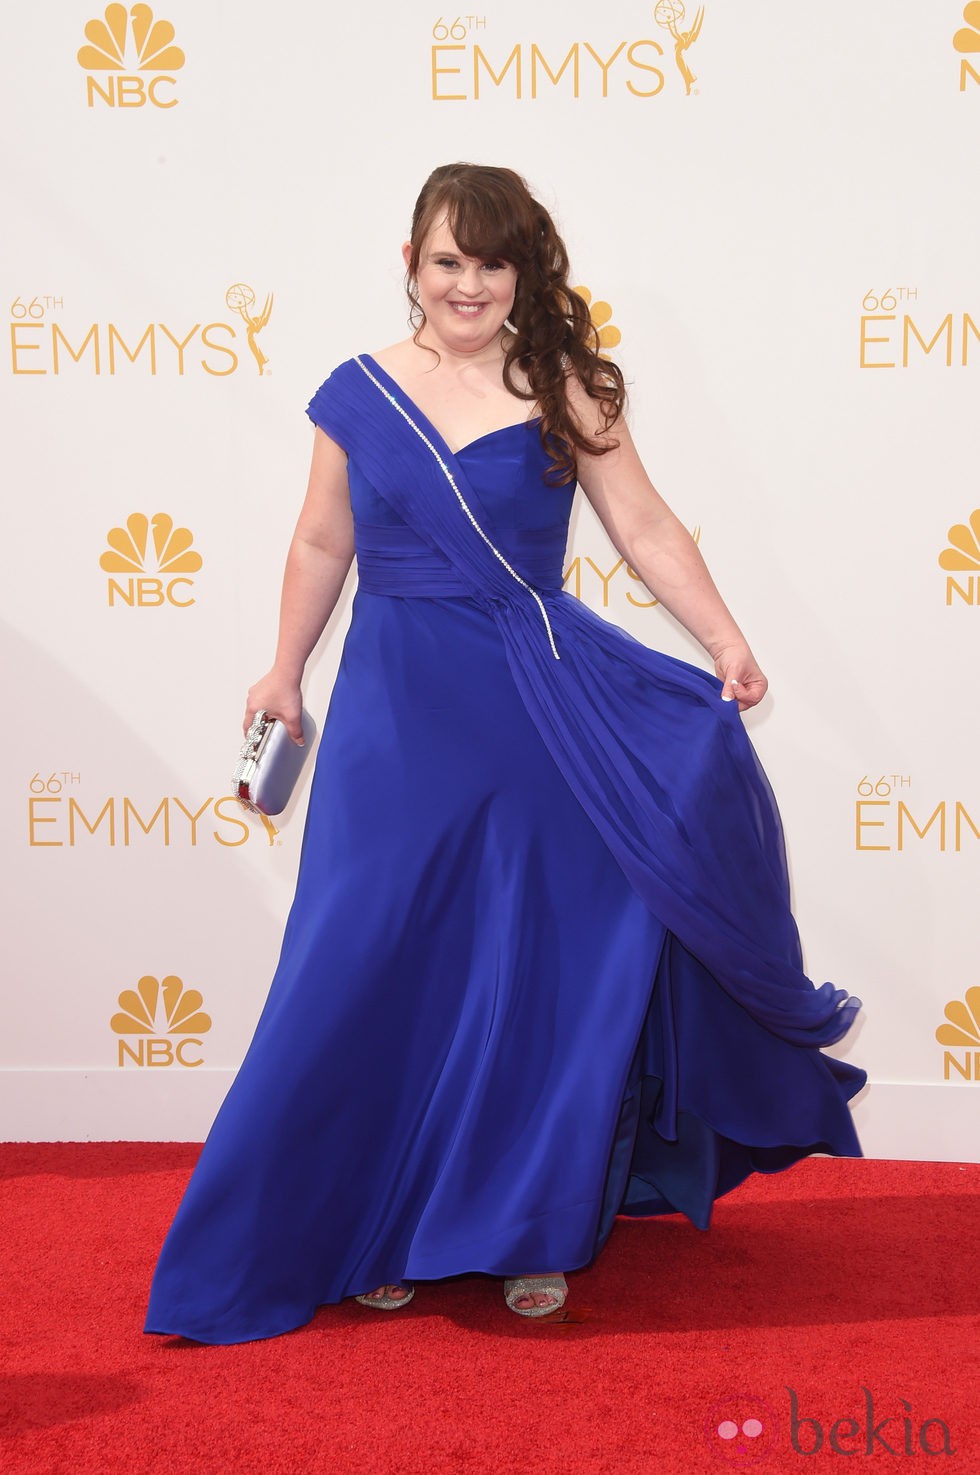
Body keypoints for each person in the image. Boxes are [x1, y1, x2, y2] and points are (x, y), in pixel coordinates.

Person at [145, 163, 865, 1344]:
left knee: (535, 970)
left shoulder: (562, 385)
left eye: (490, 262)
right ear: (411, 265)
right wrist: (282, 667)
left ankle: (525, 1228)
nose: (466, 284)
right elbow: (322, 539)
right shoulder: (357, 393)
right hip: (394, 715)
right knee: (368, 961)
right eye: (445, 261)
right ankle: (372, 1224)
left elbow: (640, 525)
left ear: (522, 272)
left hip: (541, 713)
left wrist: (727, 639)